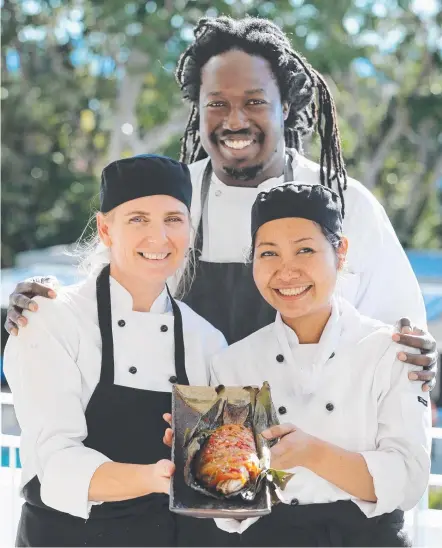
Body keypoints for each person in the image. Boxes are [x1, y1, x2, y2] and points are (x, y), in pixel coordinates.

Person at [5, 20, 437, 385]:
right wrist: (45, 306)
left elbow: (397, 340)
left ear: (284, 107)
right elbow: (102, 307)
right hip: (176, 442)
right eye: (217, 104)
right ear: (198, 108)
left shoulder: (345, 203)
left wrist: (413, 352)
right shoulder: (169, 199)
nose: (235, 120)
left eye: (254, 102)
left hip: (305, 449)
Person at [3, 155, 233, 547]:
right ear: (105, 230)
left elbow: (217, 469)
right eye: (138, 219)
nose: (159, 238)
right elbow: (55, 463)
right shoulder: (52, 320)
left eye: (173, 219)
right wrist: (155, 477)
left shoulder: (206, 339)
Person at [207, 183, 431, 547]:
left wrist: (313, 453)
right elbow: (231, 507)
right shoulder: (233, 363)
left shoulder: (391, 352)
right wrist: (201, 459)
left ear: (340, 253)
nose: (286, 271)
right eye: (268, 254)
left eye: (305, 250)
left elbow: (408, 479)